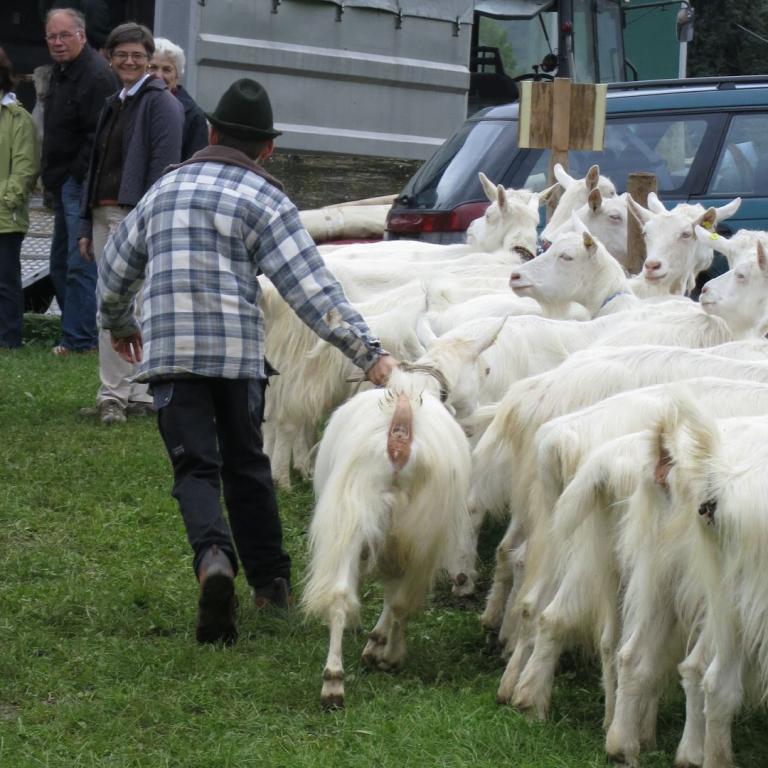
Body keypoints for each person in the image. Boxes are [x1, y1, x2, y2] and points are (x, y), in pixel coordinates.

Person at [97, 78, 398, 645]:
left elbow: (115, 268)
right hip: (238, 359)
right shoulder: (267, 200)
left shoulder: (163, 189)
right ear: (269, 147)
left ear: (210, 133)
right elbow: (310, 288)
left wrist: (119, 322)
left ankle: (213, 558)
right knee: (247, 465)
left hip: (172, 356)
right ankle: (270, 583)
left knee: (195, 468)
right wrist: (370, 355)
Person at [77, 23, 184, 425]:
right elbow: (96, 166)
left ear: (148, 58)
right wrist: (85, 225)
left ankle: (116, 396)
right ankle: (133, 392)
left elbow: (163, 169)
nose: (129, 61)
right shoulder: (116, 102)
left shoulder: (160, 104)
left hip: (132, 216)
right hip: (103, 213)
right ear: (109, 58)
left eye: (138, 55)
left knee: (116, 303)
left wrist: (147, 222)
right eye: (121, 54)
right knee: (126, 303)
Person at [41, 8, 116, 355]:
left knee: (79, 262)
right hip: (63, 181)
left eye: (64, 35)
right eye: (52, 36)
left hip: (80, 182)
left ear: (82, 36)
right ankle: (76, 329)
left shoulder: (97, 75)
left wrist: (74, 174)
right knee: (59, 264)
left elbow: (97, 135)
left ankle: (80, 340)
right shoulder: (62, 71)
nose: (57, 42)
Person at [0, 49, 39, 349]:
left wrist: (7, 200)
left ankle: (8, 340)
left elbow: (25, 169)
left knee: (5, 282)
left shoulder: (18, 118)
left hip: (4, 214)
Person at [149, 38, 208, 160]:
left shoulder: (194, 117)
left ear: (177, 77)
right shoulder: (131, 103)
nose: (159, 76)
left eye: (167, 69)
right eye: (153, 67)